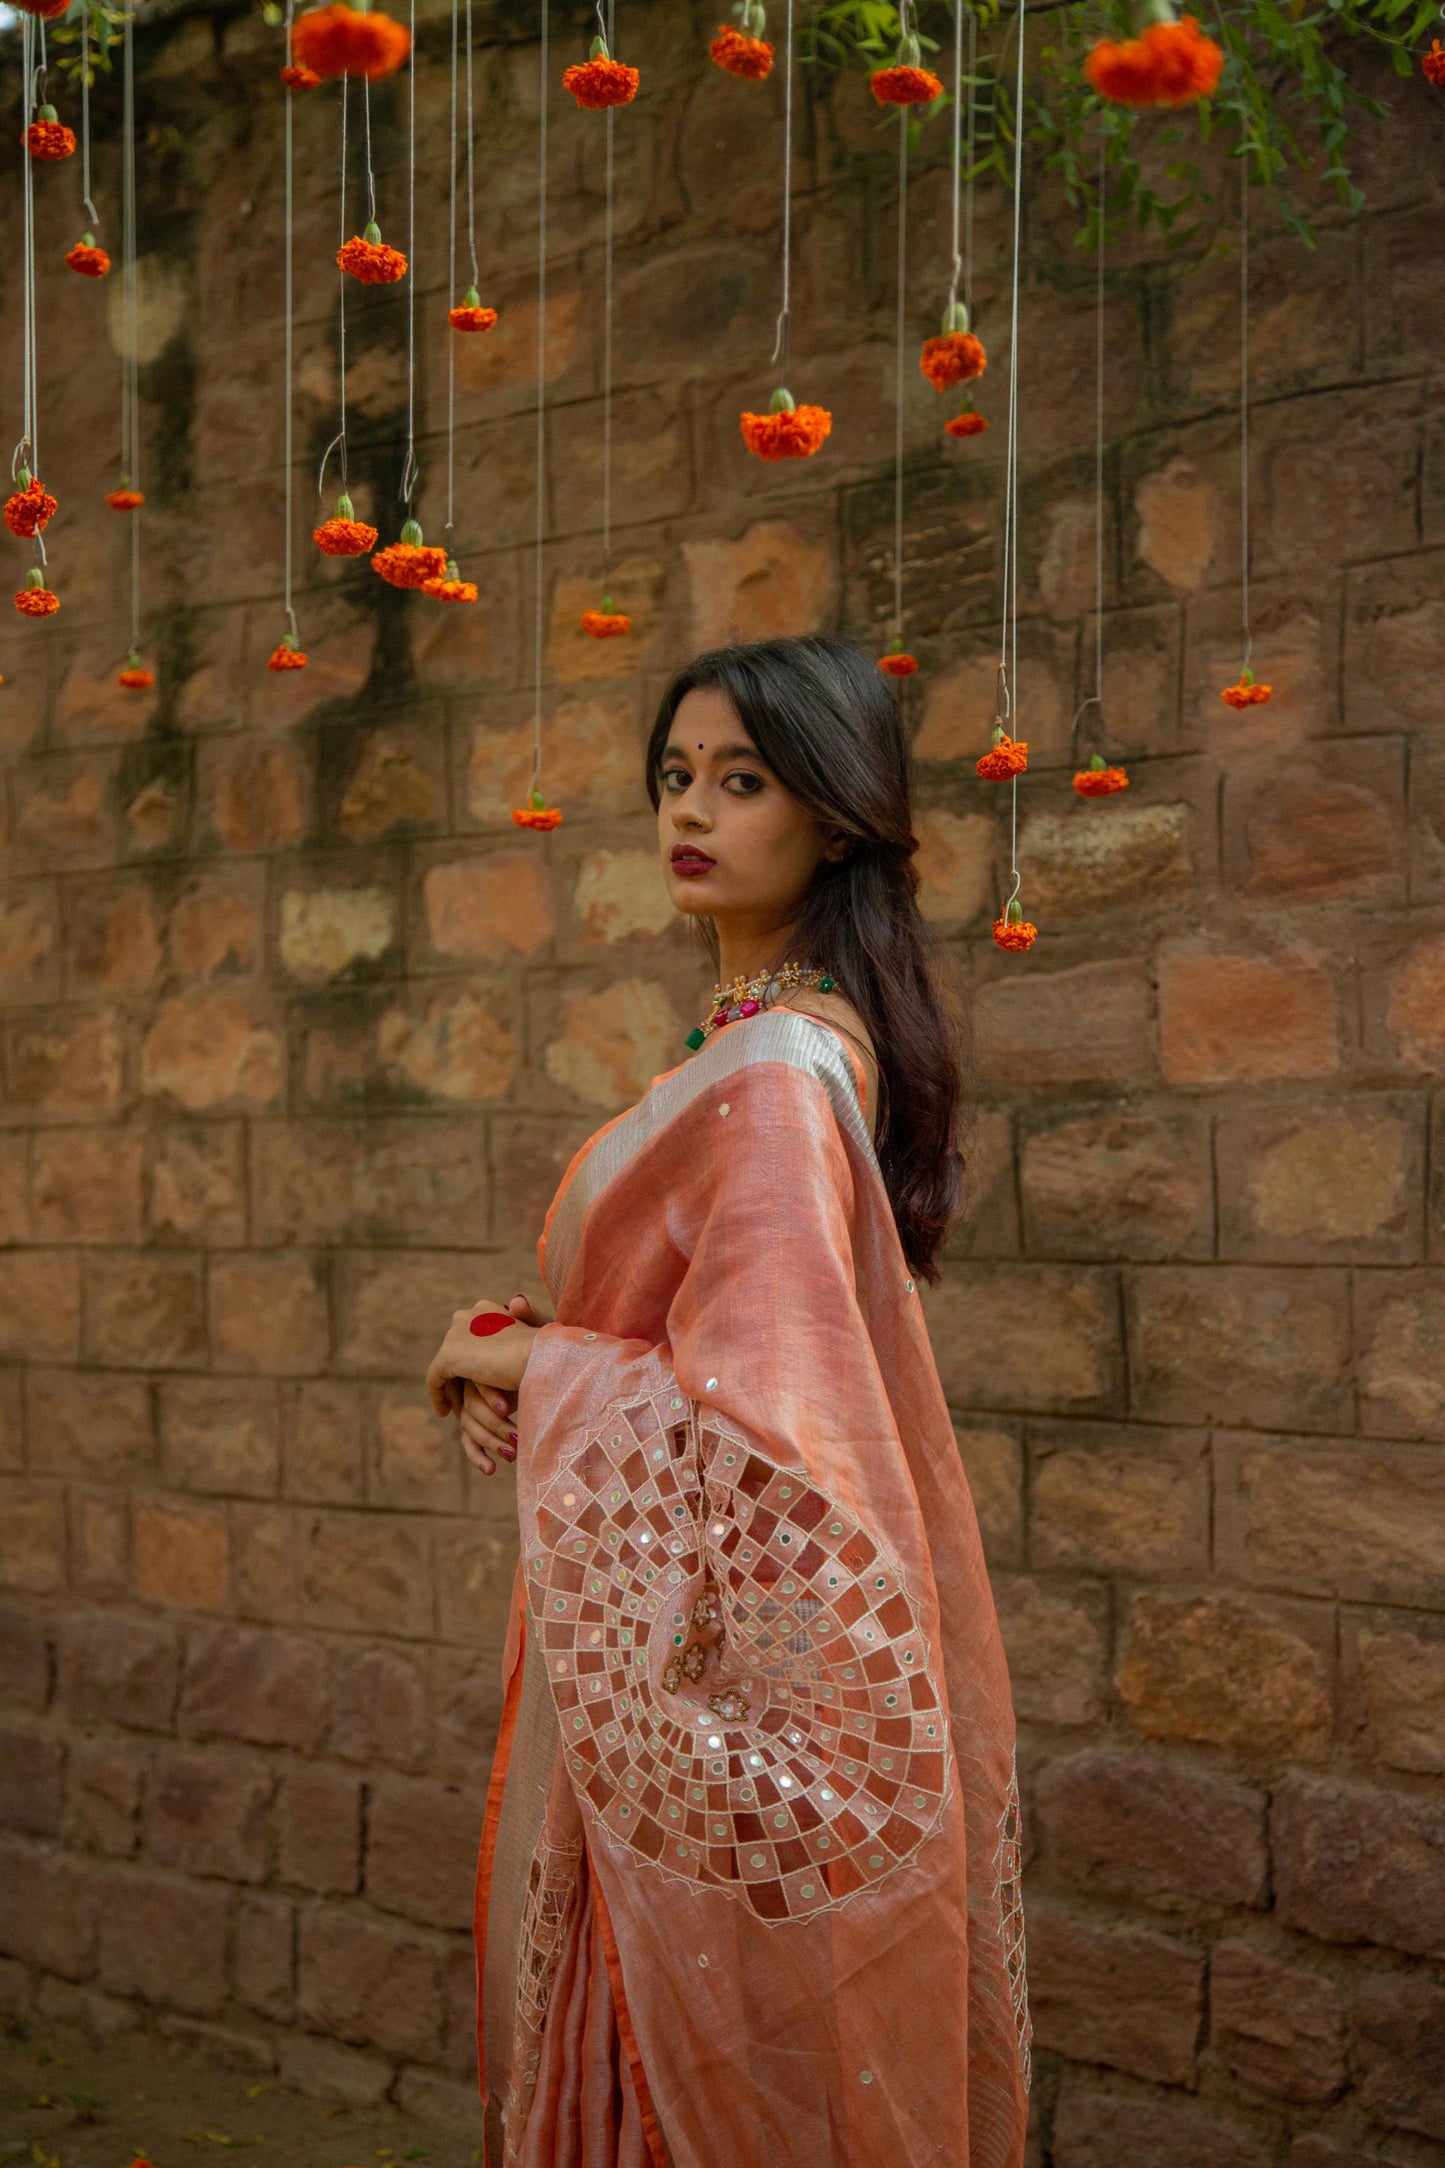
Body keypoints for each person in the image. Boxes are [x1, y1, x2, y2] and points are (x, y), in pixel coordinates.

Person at [425, 637, 1030, 2168]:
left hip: (717, 1675)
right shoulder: (765, 1041)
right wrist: (537, 1337)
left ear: (830, 817)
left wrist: (531, 1368)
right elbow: (694, 1341)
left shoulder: (770, 1070)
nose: (690, 810)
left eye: (741, 781)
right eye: (674, 778)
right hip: (686, 1647)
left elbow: (760, 1436)